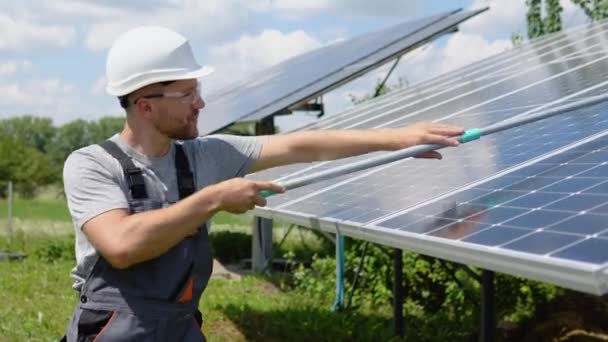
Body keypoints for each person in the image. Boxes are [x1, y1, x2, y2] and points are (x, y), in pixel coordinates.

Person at [61, 25, 463, 341]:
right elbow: (122, 246)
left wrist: (398, 139)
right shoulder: (92, 165)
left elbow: (300, 145)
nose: (200, 103)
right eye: (187, 94)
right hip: (114, 331)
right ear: (146, 105)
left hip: (181, 328)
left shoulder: (204, 155)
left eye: (197, 91)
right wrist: (215, 198)